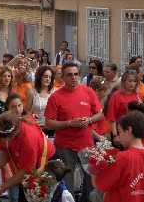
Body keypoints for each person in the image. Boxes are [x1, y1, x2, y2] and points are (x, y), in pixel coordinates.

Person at [44, 62, 103, 199]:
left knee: (91, 181)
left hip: (86, 144)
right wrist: (69, 123)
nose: (73, 77)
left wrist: (89, 120)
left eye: (76, 74)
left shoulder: (88, 91)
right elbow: (48, 123)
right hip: (65, 146)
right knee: (67, 182)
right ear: (63, 78)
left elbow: (100, 113)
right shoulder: (56, 97)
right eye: (69, 75)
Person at [0, 111, 55, 200]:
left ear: (15, 132)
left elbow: (26, 171)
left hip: (43, 163)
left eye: (6, 138)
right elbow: (5, 148)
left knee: (35, 197)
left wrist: (1, 188)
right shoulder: (4, 128)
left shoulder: (29, 140)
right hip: (26, 164)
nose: (3, 140)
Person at [93, 111, 144, 202]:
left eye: (120, 132)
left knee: (93, 195)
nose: (119, 137)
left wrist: (94, 166)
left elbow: (101, 185)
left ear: (129, 130)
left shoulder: (123, 157)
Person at [106, 70, 141, 145]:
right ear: (124, 81)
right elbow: (112, 118)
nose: (132, 84)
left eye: (134, 81)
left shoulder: (137, 95)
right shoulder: (116, 96)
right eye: (130, 81)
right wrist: (115, 135)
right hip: (121, 131)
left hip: (134, 132)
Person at [27, 66, 55, 136]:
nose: (48, 79)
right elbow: (27, 112)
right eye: (45, 76)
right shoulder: (32, 92)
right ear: (40, 77)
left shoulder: (55, 92)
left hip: (51, 130)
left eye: (50, 77)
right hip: (36, 129)